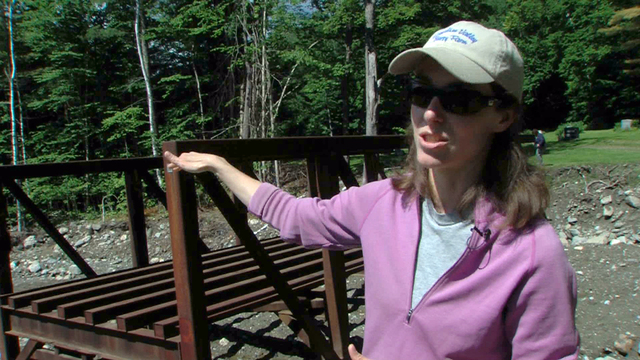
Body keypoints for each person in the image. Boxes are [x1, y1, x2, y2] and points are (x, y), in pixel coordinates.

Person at [164, 20, 579, 360]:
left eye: (461, 100)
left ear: (503, 116)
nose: (431, 114)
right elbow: (296, 216)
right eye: (422, 93)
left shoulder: (531, 253)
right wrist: (221, 167)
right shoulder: (383, 202)